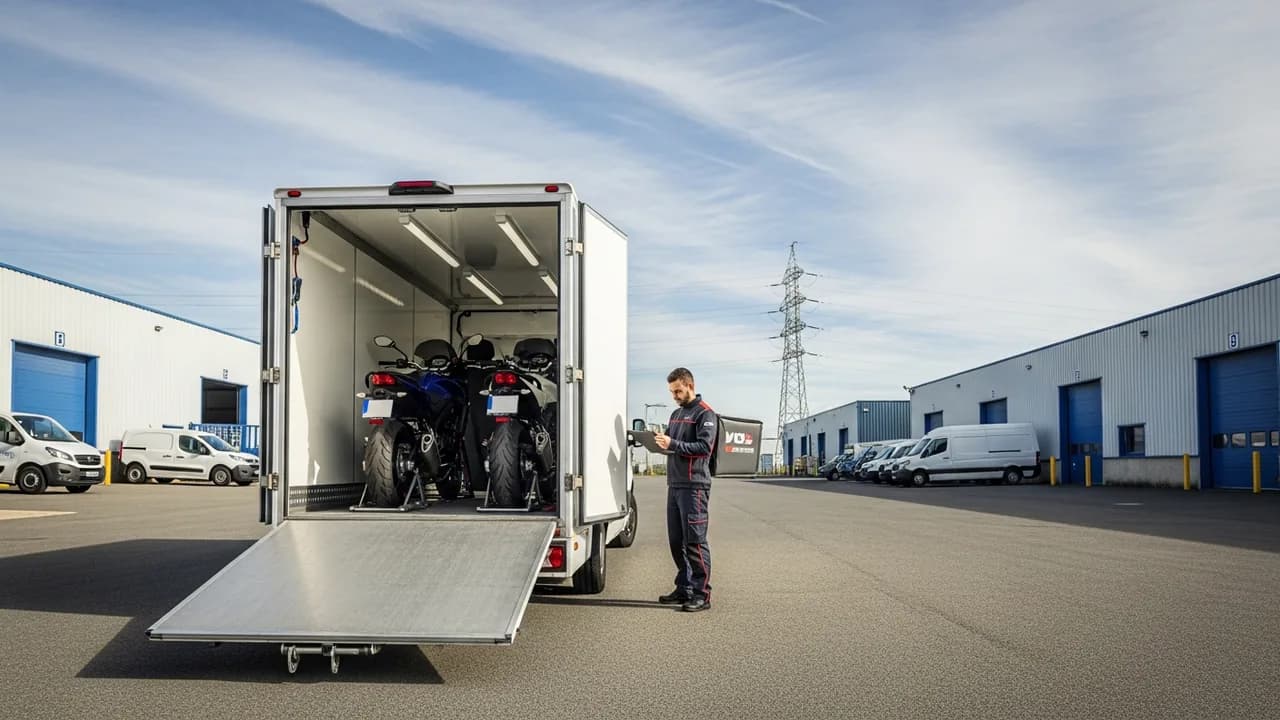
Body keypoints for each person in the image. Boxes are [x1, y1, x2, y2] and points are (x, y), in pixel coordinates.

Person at [654, 367, 717, 612]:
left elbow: (704, 447)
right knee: (676, 541)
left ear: (690, 385)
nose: (675, 396)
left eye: (678, 391)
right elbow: (672, 445)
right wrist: (658, 441)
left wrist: (673, 443)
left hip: (695, 486)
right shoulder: (675, 414)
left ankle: (702, 594)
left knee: (695, 542)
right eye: (672, 392)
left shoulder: (706, 414)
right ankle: (684, 588)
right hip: (675, 484)